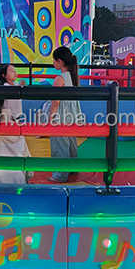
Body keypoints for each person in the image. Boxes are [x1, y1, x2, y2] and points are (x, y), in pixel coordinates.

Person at [48, 46, 83, 182]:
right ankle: (72, 167)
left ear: (60, 61)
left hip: (61, 115)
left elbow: (55, 101)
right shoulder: (73, 77)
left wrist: (51, 116)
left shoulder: (60, 79)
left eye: (54, 60)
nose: (53, 63)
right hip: (72, 114)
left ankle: (60, 174)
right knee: (71, 141)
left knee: (59, 143)